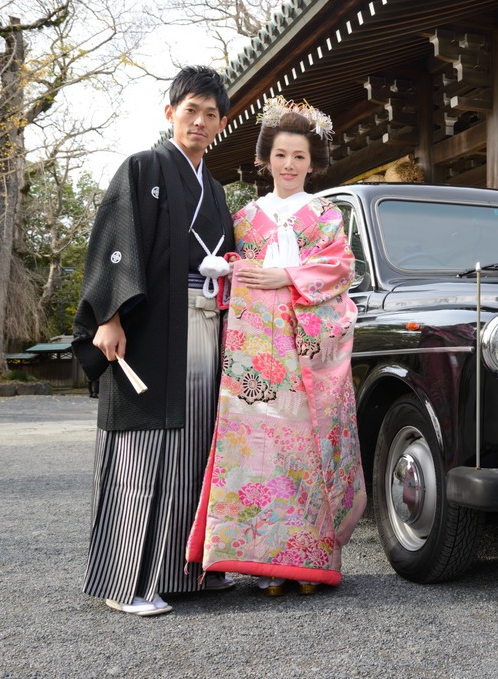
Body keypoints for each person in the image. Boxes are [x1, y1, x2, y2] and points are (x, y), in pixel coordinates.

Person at [72, 66, 237, 617]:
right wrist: (109, 315)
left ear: (220, 122)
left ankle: (188, 571)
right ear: (170, 113)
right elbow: (115, 245)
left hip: (203, 324)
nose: (200, 121)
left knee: (193, 447)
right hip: (147, 330)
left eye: (211, 114)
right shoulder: (142, 169)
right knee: (141, 451)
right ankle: (128, 582)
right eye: (190, 109)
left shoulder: (214, 190)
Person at [187, 95, 366, 596]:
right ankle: (262, 562)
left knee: (302, 453)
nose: (289, 166)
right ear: (265, 160)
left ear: (314, 163)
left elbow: (340, 270)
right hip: (252, 359)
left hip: (302, 350)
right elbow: (230, 270)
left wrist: (283, 275)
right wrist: (228, 270)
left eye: (300, 157)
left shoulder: (325, 215)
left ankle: (308, 559)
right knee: (254, 455)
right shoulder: (244, 217)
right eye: (281, 155)